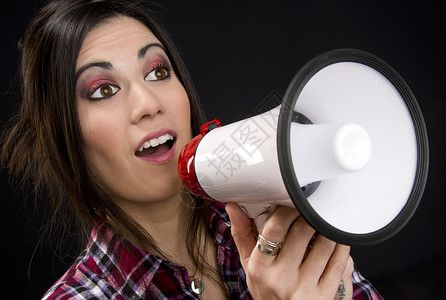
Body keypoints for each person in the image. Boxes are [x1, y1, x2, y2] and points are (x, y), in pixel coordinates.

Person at [1, 0, 382, 299]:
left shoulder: (274, 223)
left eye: (158, 71)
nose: (149, 103)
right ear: (65, 139)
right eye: (103, 90)